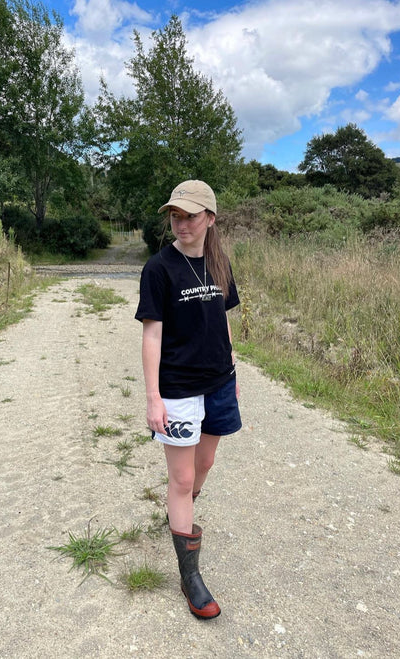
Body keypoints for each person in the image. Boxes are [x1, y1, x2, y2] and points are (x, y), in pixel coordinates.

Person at [135, 180, 242, 619]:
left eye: (190, 216)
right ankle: (190, 575)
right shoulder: (159, 268)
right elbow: (152, 335)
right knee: (180, 480)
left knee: (205, 464)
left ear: (210, 219)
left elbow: (223, 320)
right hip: (178, 389)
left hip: (219, 383)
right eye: (175, 216)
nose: (181, 224)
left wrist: (233, 370)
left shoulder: (219, 263)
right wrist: (153, 397)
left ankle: (180, 512)